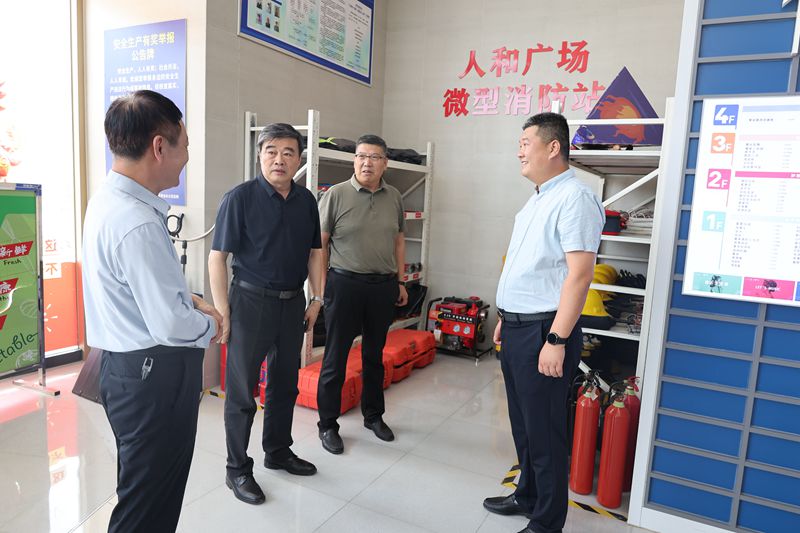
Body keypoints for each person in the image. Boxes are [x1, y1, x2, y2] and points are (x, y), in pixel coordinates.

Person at [82, 90, 222, 533]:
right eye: (184, 146)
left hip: (128, 370)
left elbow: (137, 289)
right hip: (153, 378)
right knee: (148, 507)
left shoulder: (109, 200)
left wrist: (188, 298)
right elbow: (171, 324)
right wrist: (211, 323)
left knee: (143, 491)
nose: (186, 158)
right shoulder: (137, 221)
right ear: (159, 146)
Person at [483, 113, 604, 533]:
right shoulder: (537, 199)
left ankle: (548, 521)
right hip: (519, 326)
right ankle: (528, 495)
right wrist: (506, 315)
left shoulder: (575, 198)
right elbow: (533, 269)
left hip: (544, 332)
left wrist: (556, 338)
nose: (519, 151)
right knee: (524, 424)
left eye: (525, 142)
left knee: (546, 431)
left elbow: (579, 276)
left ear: (553, 147)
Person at [208, 123, 324, 505]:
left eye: (288, 152)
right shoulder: (239, 198)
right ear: (259, 155)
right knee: (243, 392)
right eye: (271, 151)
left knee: (284, 384)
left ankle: (277, 450)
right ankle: (237, 469)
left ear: (299, 159)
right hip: (250, 304)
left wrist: (317, 299)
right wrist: (223, 311)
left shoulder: (306, 201)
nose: (279, 159)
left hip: (292, 304)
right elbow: (217, 257)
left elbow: (315, 253)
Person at [316, 134, 408, 454]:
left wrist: (400, 281)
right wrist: (322, 288)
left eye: (374, 157)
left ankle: (373, 416)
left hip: (382, 286)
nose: (366, 163)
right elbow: (321, 244)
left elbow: (399, 240)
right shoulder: (336, 195)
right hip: (344, 284)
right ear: (354, 160)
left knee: (374, 355)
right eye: (361, 156)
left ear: (385, 163)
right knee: (335, 357)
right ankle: (328, 424)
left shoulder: (394, 197)